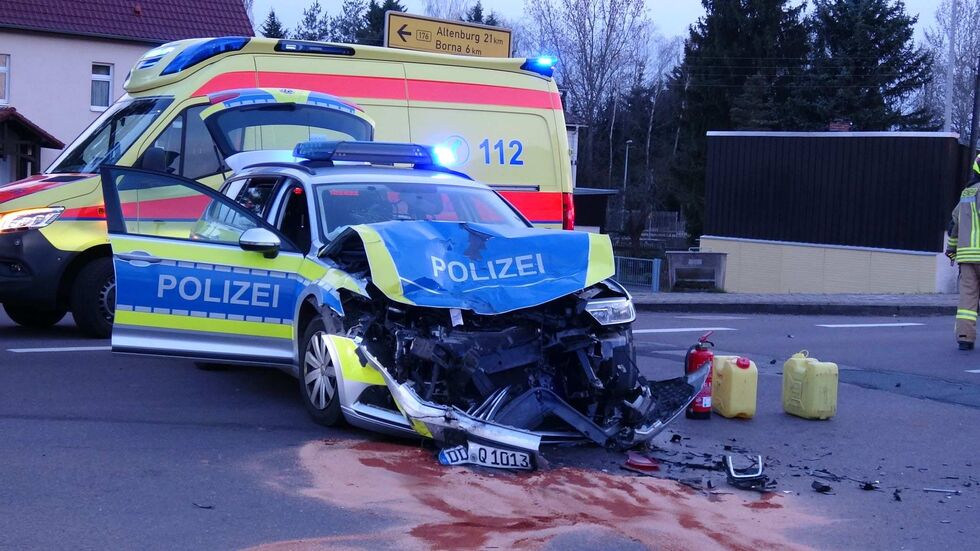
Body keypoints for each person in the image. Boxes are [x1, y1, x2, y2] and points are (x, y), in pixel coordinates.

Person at [947, 154, 980, 350]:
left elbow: (955, 223)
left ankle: (965, 337)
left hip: (967, 257)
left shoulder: (966, 193)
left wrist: (951, 250)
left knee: (967, 297)